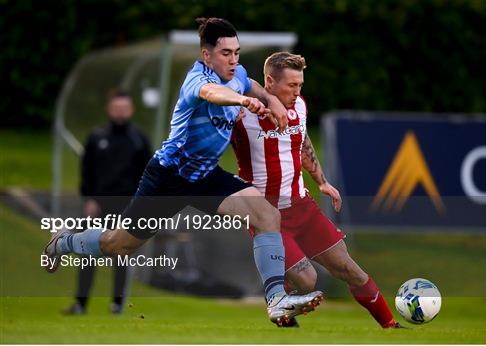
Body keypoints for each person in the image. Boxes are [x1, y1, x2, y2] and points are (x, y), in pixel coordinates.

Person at [43, 18, 322, 324]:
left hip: (204, 177)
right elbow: (212, 94)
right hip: (168, 177)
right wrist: (243, 100)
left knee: (268, 215)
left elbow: (249, 82)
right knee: (117, 245)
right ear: (207, 55)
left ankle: (276, 301)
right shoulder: (196, 80)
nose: (233, 60)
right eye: (225, 53)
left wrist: (269, 98)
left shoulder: (238, 74)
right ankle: (64, 242)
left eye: (237, 52)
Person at [231, 52, 402, 328]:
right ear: (270, 82)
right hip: (266, 214)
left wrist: (321, 180)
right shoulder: (241, 113)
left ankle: (391, 326)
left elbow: (302, 143)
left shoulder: (299, 106)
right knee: (307, 278)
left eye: (300, 84)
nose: (297, 91)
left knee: (350, 269)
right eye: (292, 85)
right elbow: (234, 78)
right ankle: (280, 307)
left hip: (301, 207)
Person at [64, 89, 152, 315]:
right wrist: (89, 199)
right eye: (117, 108)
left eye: (125, 108)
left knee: (120, 255)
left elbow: (148, 174)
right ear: (109, 109)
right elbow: (87, 172)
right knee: (87, 253)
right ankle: (80, 304)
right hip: (98, 206)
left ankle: (117, 304)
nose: (121, 112)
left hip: (127, 207)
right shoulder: (96, 137)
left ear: (131, 109)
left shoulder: (139, 139)